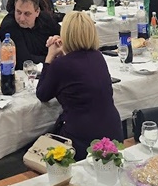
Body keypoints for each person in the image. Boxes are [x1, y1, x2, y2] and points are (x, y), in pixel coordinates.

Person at [36, 12, 123, 160]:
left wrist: (50, 57)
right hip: (112, 133)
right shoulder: (98, 56)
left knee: (40, 145)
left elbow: (42, 94)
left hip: (82, 139)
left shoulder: (61, 65)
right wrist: (63, 53)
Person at [0, 0, 60, 66]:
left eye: (27, 14)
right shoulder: (9, 26)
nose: (21, 18)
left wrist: (58, 39)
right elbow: (24, 60)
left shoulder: (45, 19)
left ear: (37, 12)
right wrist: (52, 57)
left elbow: (63, 37)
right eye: (18, 12)